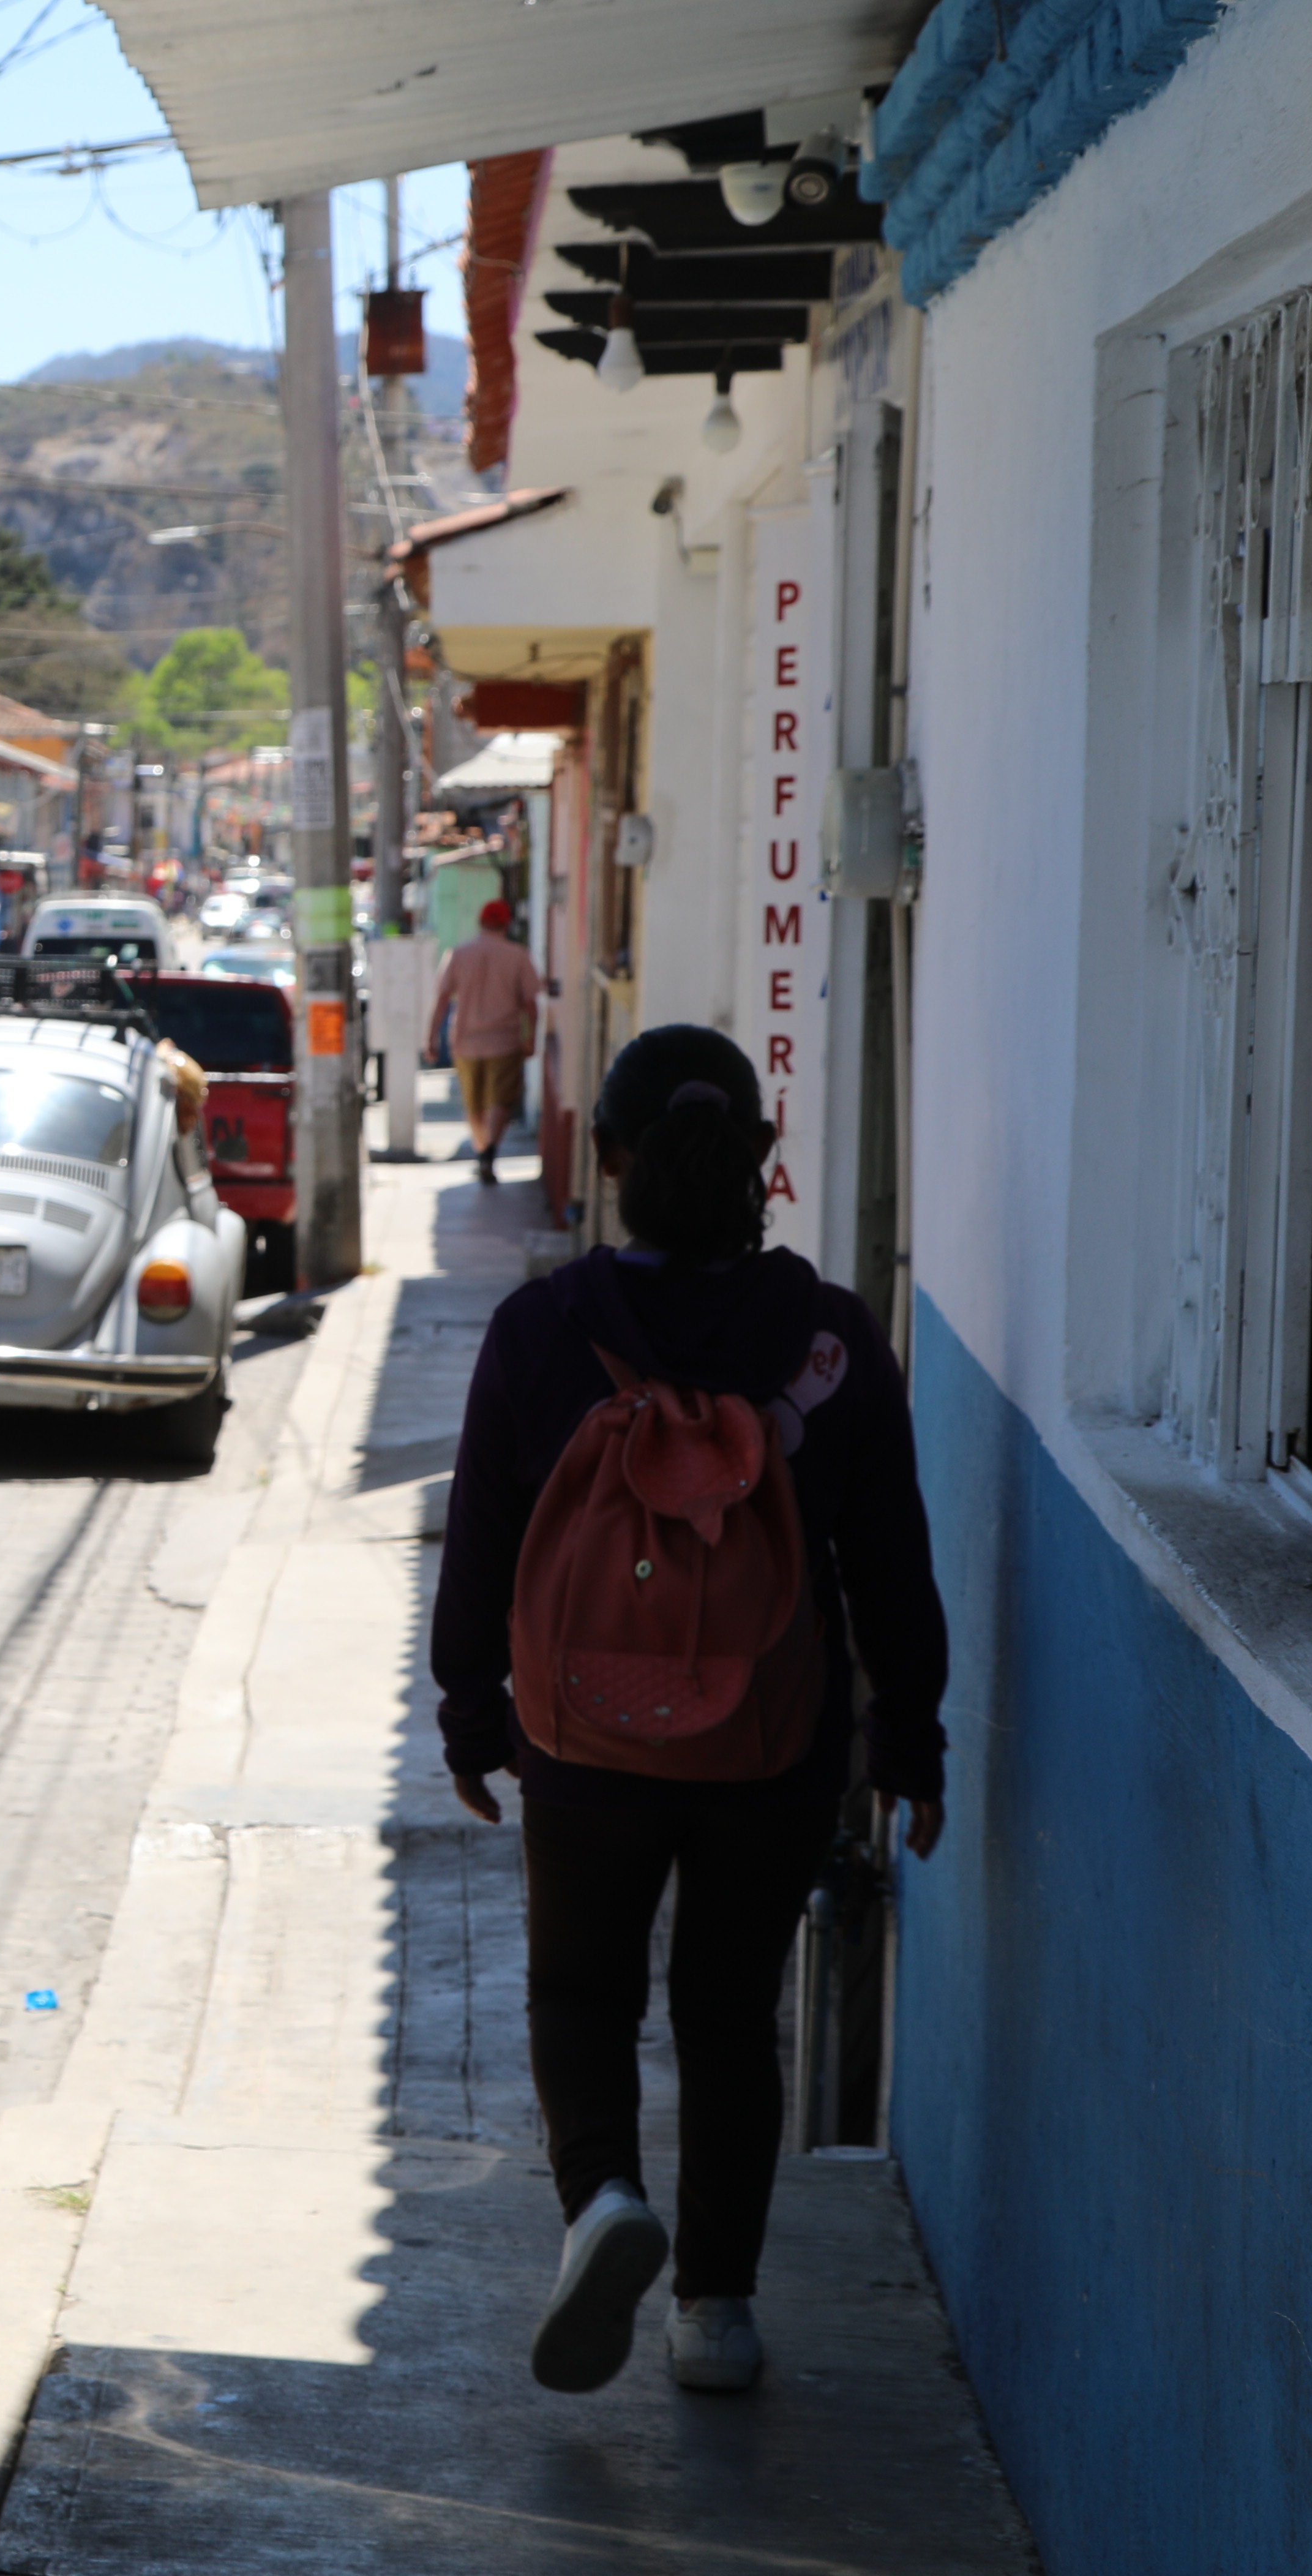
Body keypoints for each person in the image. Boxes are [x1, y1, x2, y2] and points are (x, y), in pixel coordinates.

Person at [430, 1024, 947, 2398]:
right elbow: (890, 1553)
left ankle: (602, 2197)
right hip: (772, 1741)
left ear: (608, 1158)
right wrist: (911, 1736)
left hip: (579, 1733)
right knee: (728, 2011)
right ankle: (717, 2310)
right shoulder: (830, 1339)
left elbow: (481, 1535)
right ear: (762, 1164)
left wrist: (471, 1710)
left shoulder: (544, 1330)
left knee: (579, 1986)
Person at [427, 898, 547, 1182]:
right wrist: (531, 1038)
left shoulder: (458, 954)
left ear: (481, 922)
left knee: (474, 1104)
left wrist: (431, 1038)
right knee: (500, 1101)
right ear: (506, 924)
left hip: (466, 1041)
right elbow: (532, 1003)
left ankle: (483, 1150)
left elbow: (442, 999)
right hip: (504, 1040)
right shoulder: (517, 956)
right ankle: (489, 1151)